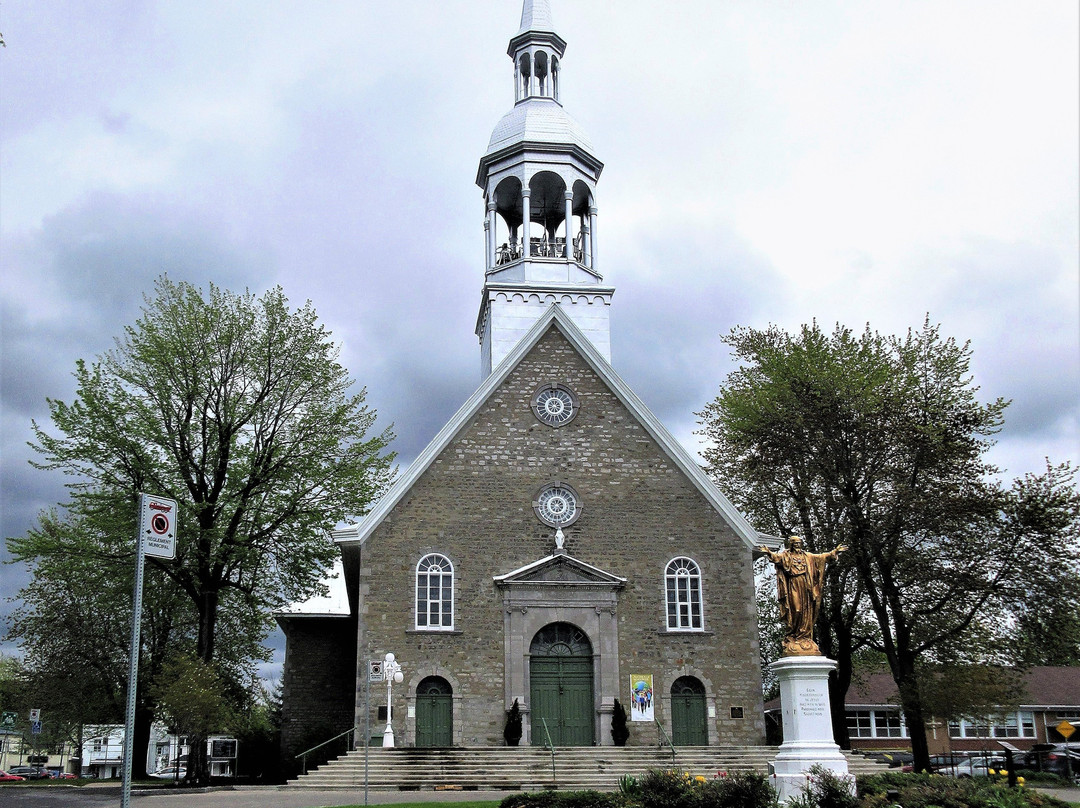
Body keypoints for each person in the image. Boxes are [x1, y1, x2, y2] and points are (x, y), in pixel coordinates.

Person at [758, 536, 846, 656]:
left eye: (799, 543)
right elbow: (777, 558)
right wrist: (768, 552)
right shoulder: (786, 556)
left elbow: (821, 557)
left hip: (806, 586)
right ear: (792, 545)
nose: (798, 546)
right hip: (793, 585)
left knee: (806, 611)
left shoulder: (807, 556)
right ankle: (793, 635)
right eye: (796, 544)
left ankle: (804, 636)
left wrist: (834, 552)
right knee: (796, 609)